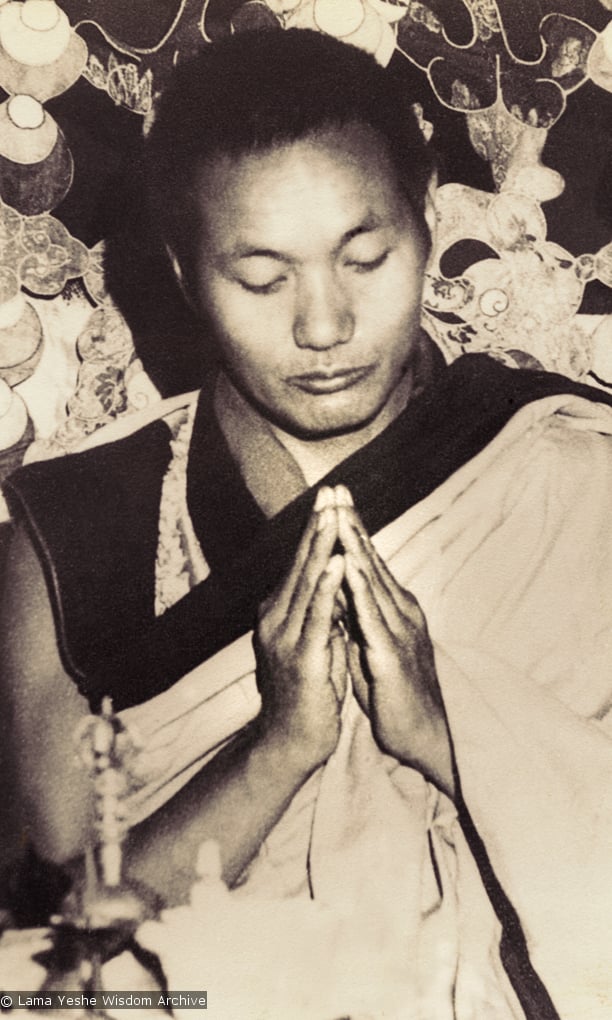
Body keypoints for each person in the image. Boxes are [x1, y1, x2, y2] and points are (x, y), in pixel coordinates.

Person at [1, 27, 611, 1020]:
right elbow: (59, 976)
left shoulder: (571, 469)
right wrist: (278, 746)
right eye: (262, 277)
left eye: (365, 258)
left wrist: (456, 737)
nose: (322, 326)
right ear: (185, 272)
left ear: (422, 222)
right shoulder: (78, 540)